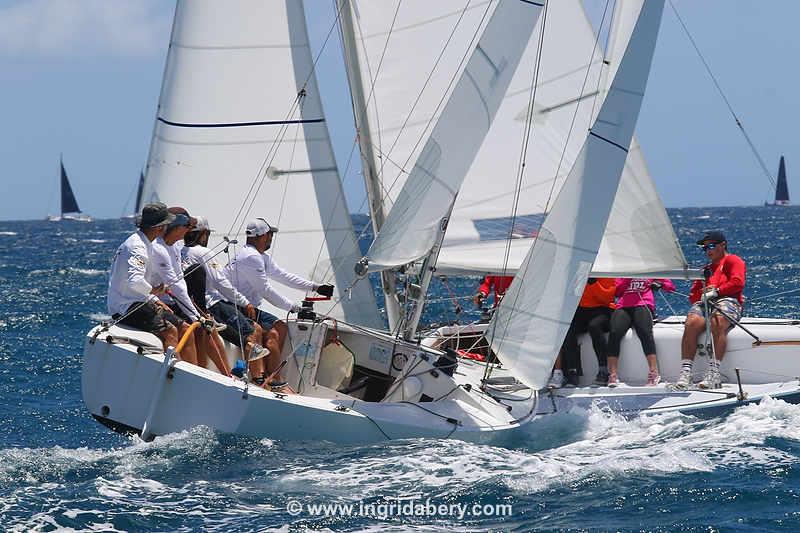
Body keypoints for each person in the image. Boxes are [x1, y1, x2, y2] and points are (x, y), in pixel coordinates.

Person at [224, 218, 334, 387]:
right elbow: (265, 290)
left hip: (250, 308)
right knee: (258, 330)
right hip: (234, 306)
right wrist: (293, 307)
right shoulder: (251, 257)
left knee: (279, 328)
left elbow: (283, 275)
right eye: (269, 235)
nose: (270, 238)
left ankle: (274, 378)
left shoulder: (261, 257)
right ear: (262, 236)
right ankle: (259, 377)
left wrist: (316, 287)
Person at [182, 216, 268, 381]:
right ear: (203, 234)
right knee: (254, 329)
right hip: (214, 304)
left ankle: (246, 372)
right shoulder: (203, 252)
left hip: (195, 305)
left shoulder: (180, 252)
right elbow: (221, 282)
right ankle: (258, 379)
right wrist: (245, 302)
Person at [149, 207, 230, 375]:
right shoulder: (159, 249)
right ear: (176, 226)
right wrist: (195, 315)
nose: (189, 231)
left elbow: (180, 283)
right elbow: (176, 285)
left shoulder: (174, 248)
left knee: (208, 328)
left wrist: (198, 313)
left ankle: (227, 375)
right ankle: (195, 375)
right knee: (192, 328)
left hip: (175, 301)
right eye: (187, 226)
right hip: (161, 302)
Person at [674, 230, 746, 390]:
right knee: (691, 322)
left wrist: (717, 291)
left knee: (717, 320)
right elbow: (693, 296)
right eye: (705, 248)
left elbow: (737, 282)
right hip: (706, 302)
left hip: (729, 300)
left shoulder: (733, 260)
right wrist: (704, 293)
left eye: (711, 246)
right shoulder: (705, 269)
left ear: (723, 245)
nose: (708, 250)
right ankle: (686, 372)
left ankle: (714, 372)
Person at [107, 203, 180, 352]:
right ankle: (172, 372)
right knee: (171, 331)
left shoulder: (145, 243)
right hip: (125, 307)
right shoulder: (137, 247)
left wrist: (154, 300)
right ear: (160, 227)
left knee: (182, 326)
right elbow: (135, 281)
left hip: (137, 301)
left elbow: (135, 284)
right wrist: (154, 291)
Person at [606, 277, 675, 387]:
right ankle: (612, 374)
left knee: (644, 331)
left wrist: (660, 284)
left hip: (643, 304)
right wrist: (627, 279)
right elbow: (617, 292)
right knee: (614, 332)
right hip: (624, 306)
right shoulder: (621, 272)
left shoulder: (650, 270)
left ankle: (654, 372)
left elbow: (671, 287)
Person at [548, 278, 616, 388]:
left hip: (603, 309)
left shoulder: (605, 273)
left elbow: (606, 299)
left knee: (594, 326)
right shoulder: (580, 272)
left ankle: (603, 370)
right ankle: (572, 372)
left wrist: (593, 283)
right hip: (582, 309)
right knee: (567, 329)